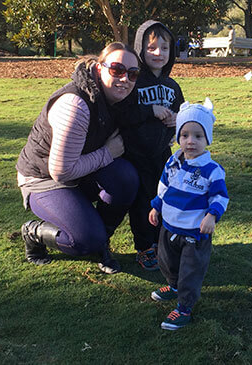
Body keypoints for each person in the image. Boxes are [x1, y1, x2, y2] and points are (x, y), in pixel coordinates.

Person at [16, 42, 141, 274]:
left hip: (81, 170)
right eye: (117, 70)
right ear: (99, 67)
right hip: (44, 179)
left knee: (126, 177)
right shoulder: (76, 105)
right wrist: (108, 153)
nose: (125, 79)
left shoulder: (117, 99)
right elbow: (61, 171)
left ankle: (101, 242)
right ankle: (34, 232)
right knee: (85, 241)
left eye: (133, 74)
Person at [148, 98, 229, 330]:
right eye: (184, 135)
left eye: (198, 136)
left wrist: (211, 216)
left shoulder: (212, 170)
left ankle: (184, 307)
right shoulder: (173, 161)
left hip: (195, 232)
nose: (190, 141)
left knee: (190, 272)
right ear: (178, 137)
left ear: (207, 139)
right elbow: (163, 186)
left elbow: (220, 197)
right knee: (167, 262)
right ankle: (173, 286)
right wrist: (156, 206)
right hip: (170, 226)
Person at [121, 20, 185, 271]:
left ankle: (162, 242)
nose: (159, 53)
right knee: (142, 202)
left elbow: (180, 113)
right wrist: (151, 109)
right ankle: (144, 246)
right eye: (152, 48)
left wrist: (175, 121)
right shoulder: (134, 81)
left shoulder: (172, 85)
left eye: (165, 48)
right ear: (141, 50)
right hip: (135, 155)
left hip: (162, 155)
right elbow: (125, 113)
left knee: (165, 198)